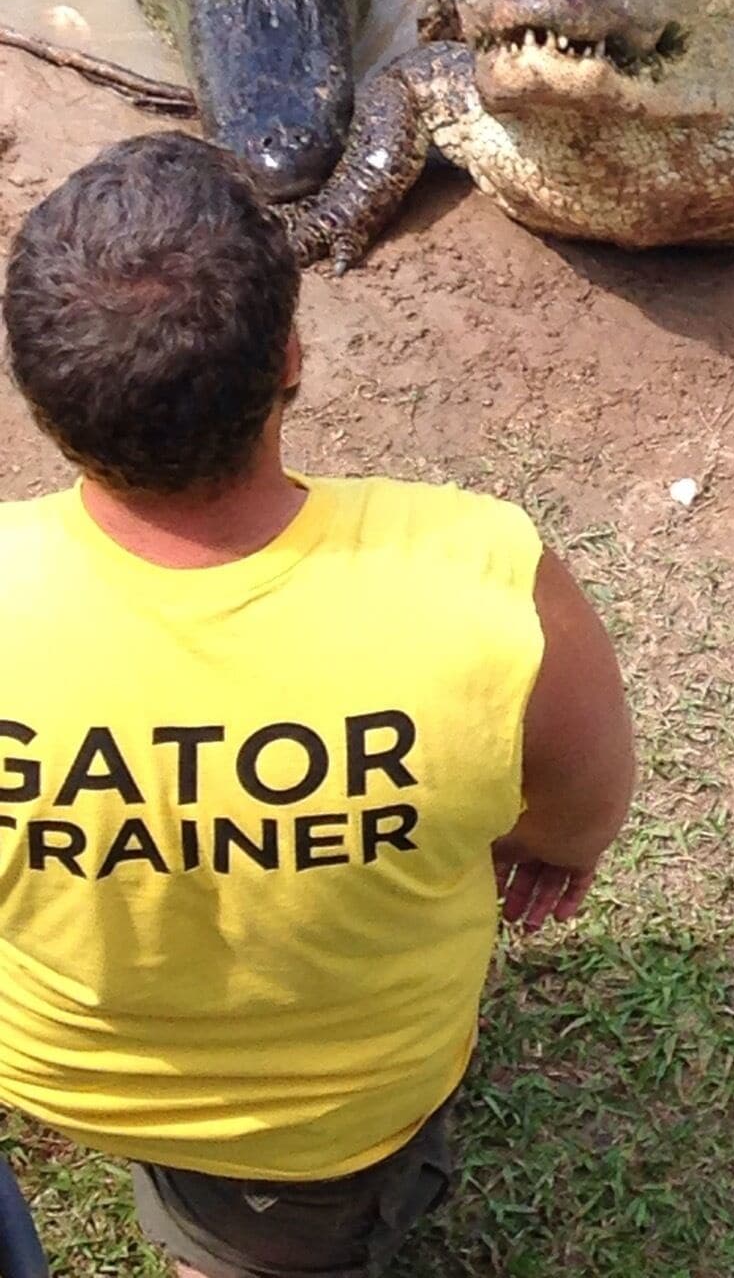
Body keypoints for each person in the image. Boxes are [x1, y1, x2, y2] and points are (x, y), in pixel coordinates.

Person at [0, 132, 636, 1278]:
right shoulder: (475, 573)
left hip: (56, 1075)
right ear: (290, 358)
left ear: (44, 403)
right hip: (331, 1126)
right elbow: (576, 821)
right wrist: (542, 843)